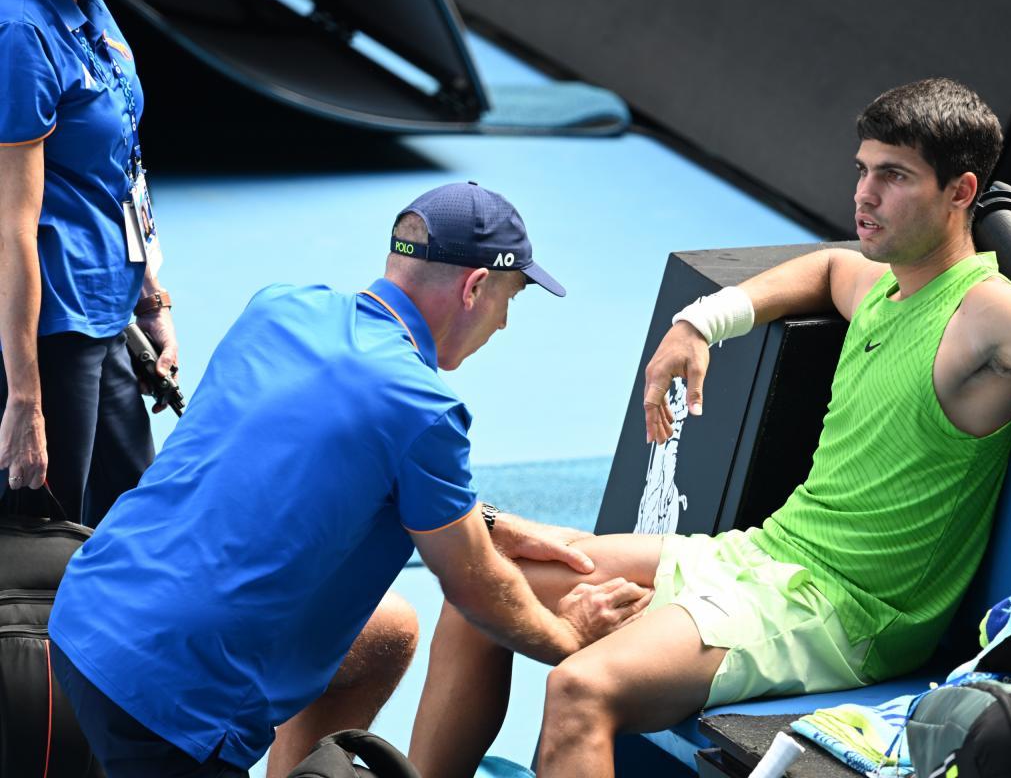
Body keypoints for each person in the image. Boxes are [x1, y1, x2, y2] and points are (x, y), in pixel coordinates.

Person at [407, 79, 1011, 778]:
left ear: (961, 193)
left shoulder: (989, 316)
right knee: (483, 591)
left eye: (894, 177)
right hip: (765, 557)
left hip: (845, 611)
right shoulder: (878, 283)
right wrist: (697, 323)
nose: (866, 195)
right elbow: (821, 267)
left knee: (583, 690)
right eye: (863, 169)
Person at [47, 182, 651, 778]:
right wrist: (568, 636)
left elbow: (317, 459)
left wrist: (487, 521)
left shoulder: (278, 306)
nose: (503, 323)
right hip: (171, 705)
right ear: (475, 288)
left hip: (85, 614)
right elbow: (475, 587)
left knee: (386, 632)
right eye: (510, 299)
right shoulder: (422, 408)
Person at [0, 0, 179, 526]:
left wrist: (152, 303)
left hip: (109, 312)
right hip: (51, 326)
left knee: (129, 521)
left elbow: (123, 161)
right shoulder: (17, 30)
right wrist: (25, 396)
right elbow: (11, 227)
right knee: (43, 537)